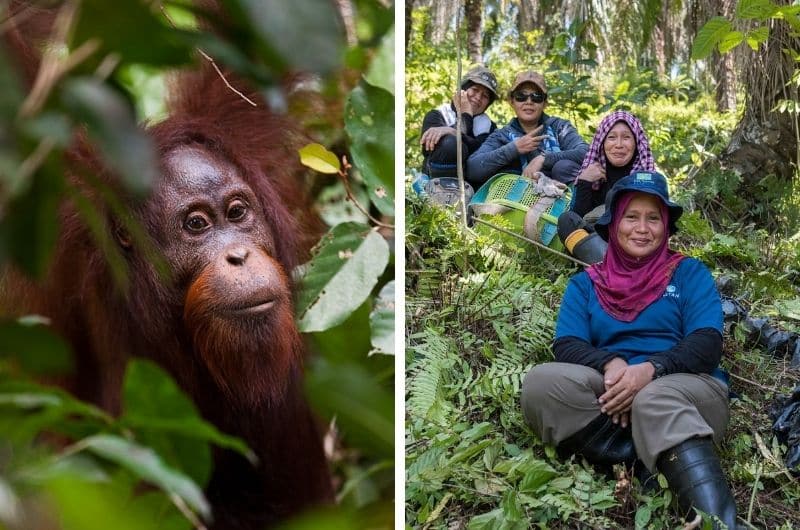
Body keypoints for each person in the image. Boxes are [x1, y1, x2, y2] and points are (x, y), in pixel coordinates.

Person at [520, 171, 738, 530]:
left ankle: (719, 523)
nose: (642, 228)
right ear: (613, 223)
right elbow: (567, 344)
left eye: (653, 218)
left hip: (683, 390)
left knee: (653, 399)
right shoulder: (586, 284)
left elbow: (706, 344)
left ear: (665, 225)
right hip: (612, 386)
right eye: (631, 217)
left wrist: (650, 371)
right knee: (541, 384)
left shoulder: (689, 273)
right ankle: (646, 460)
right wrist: (612, 365)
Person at [466, 71, 588, 188]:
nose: (529, 101)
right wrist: (514, 149)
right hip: (517, 200)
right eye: (521, 96)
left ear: (545, 103)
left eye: (536, 97)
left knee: (563, 166)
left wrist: (544, 159)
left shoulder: (560, 127)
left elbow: (585, 152)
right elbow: (472, 168)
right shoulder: (502, 135)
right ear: (511, 101)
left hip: (561, 199)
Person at [570, 110, 654, 221]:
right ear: (602, 142)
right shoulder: (593, 173)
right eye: (611, 137)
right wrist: (584, 181)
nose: (618, 145)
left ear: (636, 142)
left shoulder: (645, 177)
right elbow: (575, 220)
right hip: (592, 236)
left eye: (626, 137)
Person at [419, 65, 499, 180]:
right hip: (435, 181)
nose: (478, 97)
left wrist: (451, 130)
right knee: (450, 143)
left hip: (472, 185)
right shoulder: (437, 114)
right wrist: (466, 115)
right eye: (475, 90)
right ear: (463, 90)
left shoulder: (490, 127)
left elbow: (481, 154)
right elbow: (428, 148)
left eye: (485, 96)